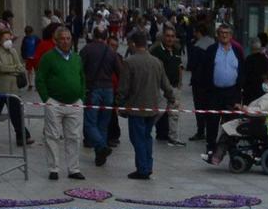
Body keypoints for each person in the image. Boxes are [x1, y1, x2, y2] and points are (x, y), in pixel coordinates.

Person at [118, 32, 174, 180]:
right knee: (147, 137)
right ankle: (148, 166)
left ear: (133, 44)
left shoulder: (129, 62)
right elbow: (166, 84)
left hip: (136, 108)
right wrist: (171, 98)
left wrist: (119, 102)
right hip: (153, 107)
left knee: (137, 139)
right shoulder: (156, 62)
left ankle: (142, 169)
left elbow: (124, 87)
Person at [34, 25, 87, 181]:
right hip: (55, 103)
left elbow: (82, 78)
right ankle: (53, 168)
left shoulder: (76, 58)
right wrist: (47, 99)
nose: (65, 42)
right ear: (55, 40)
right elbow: (40, 79)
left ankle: (74, 169)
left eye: (68, 38)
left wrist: (81, 97)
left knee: (74, 136)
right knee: (52, 136)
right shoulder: (48, 58)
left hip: (75, 104)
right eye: (62, 39)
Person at [211, 71, 268, 164]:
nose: (264, 84)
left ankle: (217, 156)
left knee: (228, 128)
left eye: (265, 81)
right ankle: (219, 154)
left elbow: (259, 112)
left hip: (263, 124)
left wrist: (243, 108)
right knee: (232, 125)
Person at [199, 25, 244, 162]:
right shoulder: (211, 50)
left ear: (231, 36)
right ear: (217, 35)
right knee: (212, 121)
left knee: (231, 122)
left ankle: (231, 148)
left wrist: (239, 91)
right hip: (214, 92)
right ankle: (211, 148)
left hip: (231, 93)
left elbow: (242, 71)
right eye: (222, 33)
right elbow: (204, 71)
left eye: (227, 33)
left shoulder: (236, 51)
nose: (224, 36)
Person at [80, 29, 123, 168]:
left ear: (93, 36)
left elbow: (79, 69)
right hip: (108, 90)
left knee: (89, 123)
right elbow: (120, 72)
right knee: (103, 124)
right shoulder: (111, 52)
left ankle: (101, 146)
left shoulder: (87, 49)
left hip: (93, 89)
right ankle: (100, 154)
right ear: (105, 38)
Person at [0, 29, 30, 148]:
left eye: (9, 39)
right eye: (5, 39)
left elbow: (20, 67)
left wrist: (14, 68)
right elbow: (0, 68)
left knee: (16, 113)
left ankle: (22, 137)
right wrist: (15, 69)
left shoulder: (13, 51)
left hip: (13, 88)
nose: (8, 41)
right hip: (0, 88)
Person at [153, 27, 185, 144]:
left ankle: (173, 138)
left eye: (172, 36)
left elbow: (180, 67)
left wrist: (180, 84)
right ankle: (145, 130)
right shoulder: (156, 50)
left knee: (174, 114)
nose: (170, 38)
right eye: (168, 36)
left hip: (174, 87)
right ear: (163, 37)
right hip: (161, 88)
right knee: (159, 111)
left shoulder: (176, 50)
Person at [187, 18, 216, 140]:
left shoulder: (197, 46)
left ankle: (200, 130)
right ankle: (210, 130)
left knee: (199, 106)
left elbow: (192, 65)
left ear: (199, 32)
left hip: (199, 82)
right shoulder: (214, 44)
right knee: (210, 106)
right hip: (212, 82)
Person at [240, 34, 268, 102]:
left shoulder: (248, 60)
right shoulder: (265, 59)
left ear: (251, 47)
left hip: (249, 94)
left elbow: (244, 76)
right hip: (263, 93)